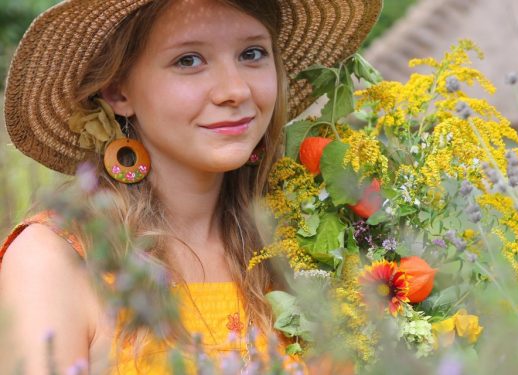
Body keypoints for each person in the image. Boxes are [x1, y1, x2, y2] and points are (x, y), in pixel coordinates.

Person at [0, 0, 381, 373]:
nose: (235, 90)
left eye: (252, 53)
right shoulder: (55, 261)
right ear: (119, 93)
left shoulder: (308, 241)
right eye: (188, 60)